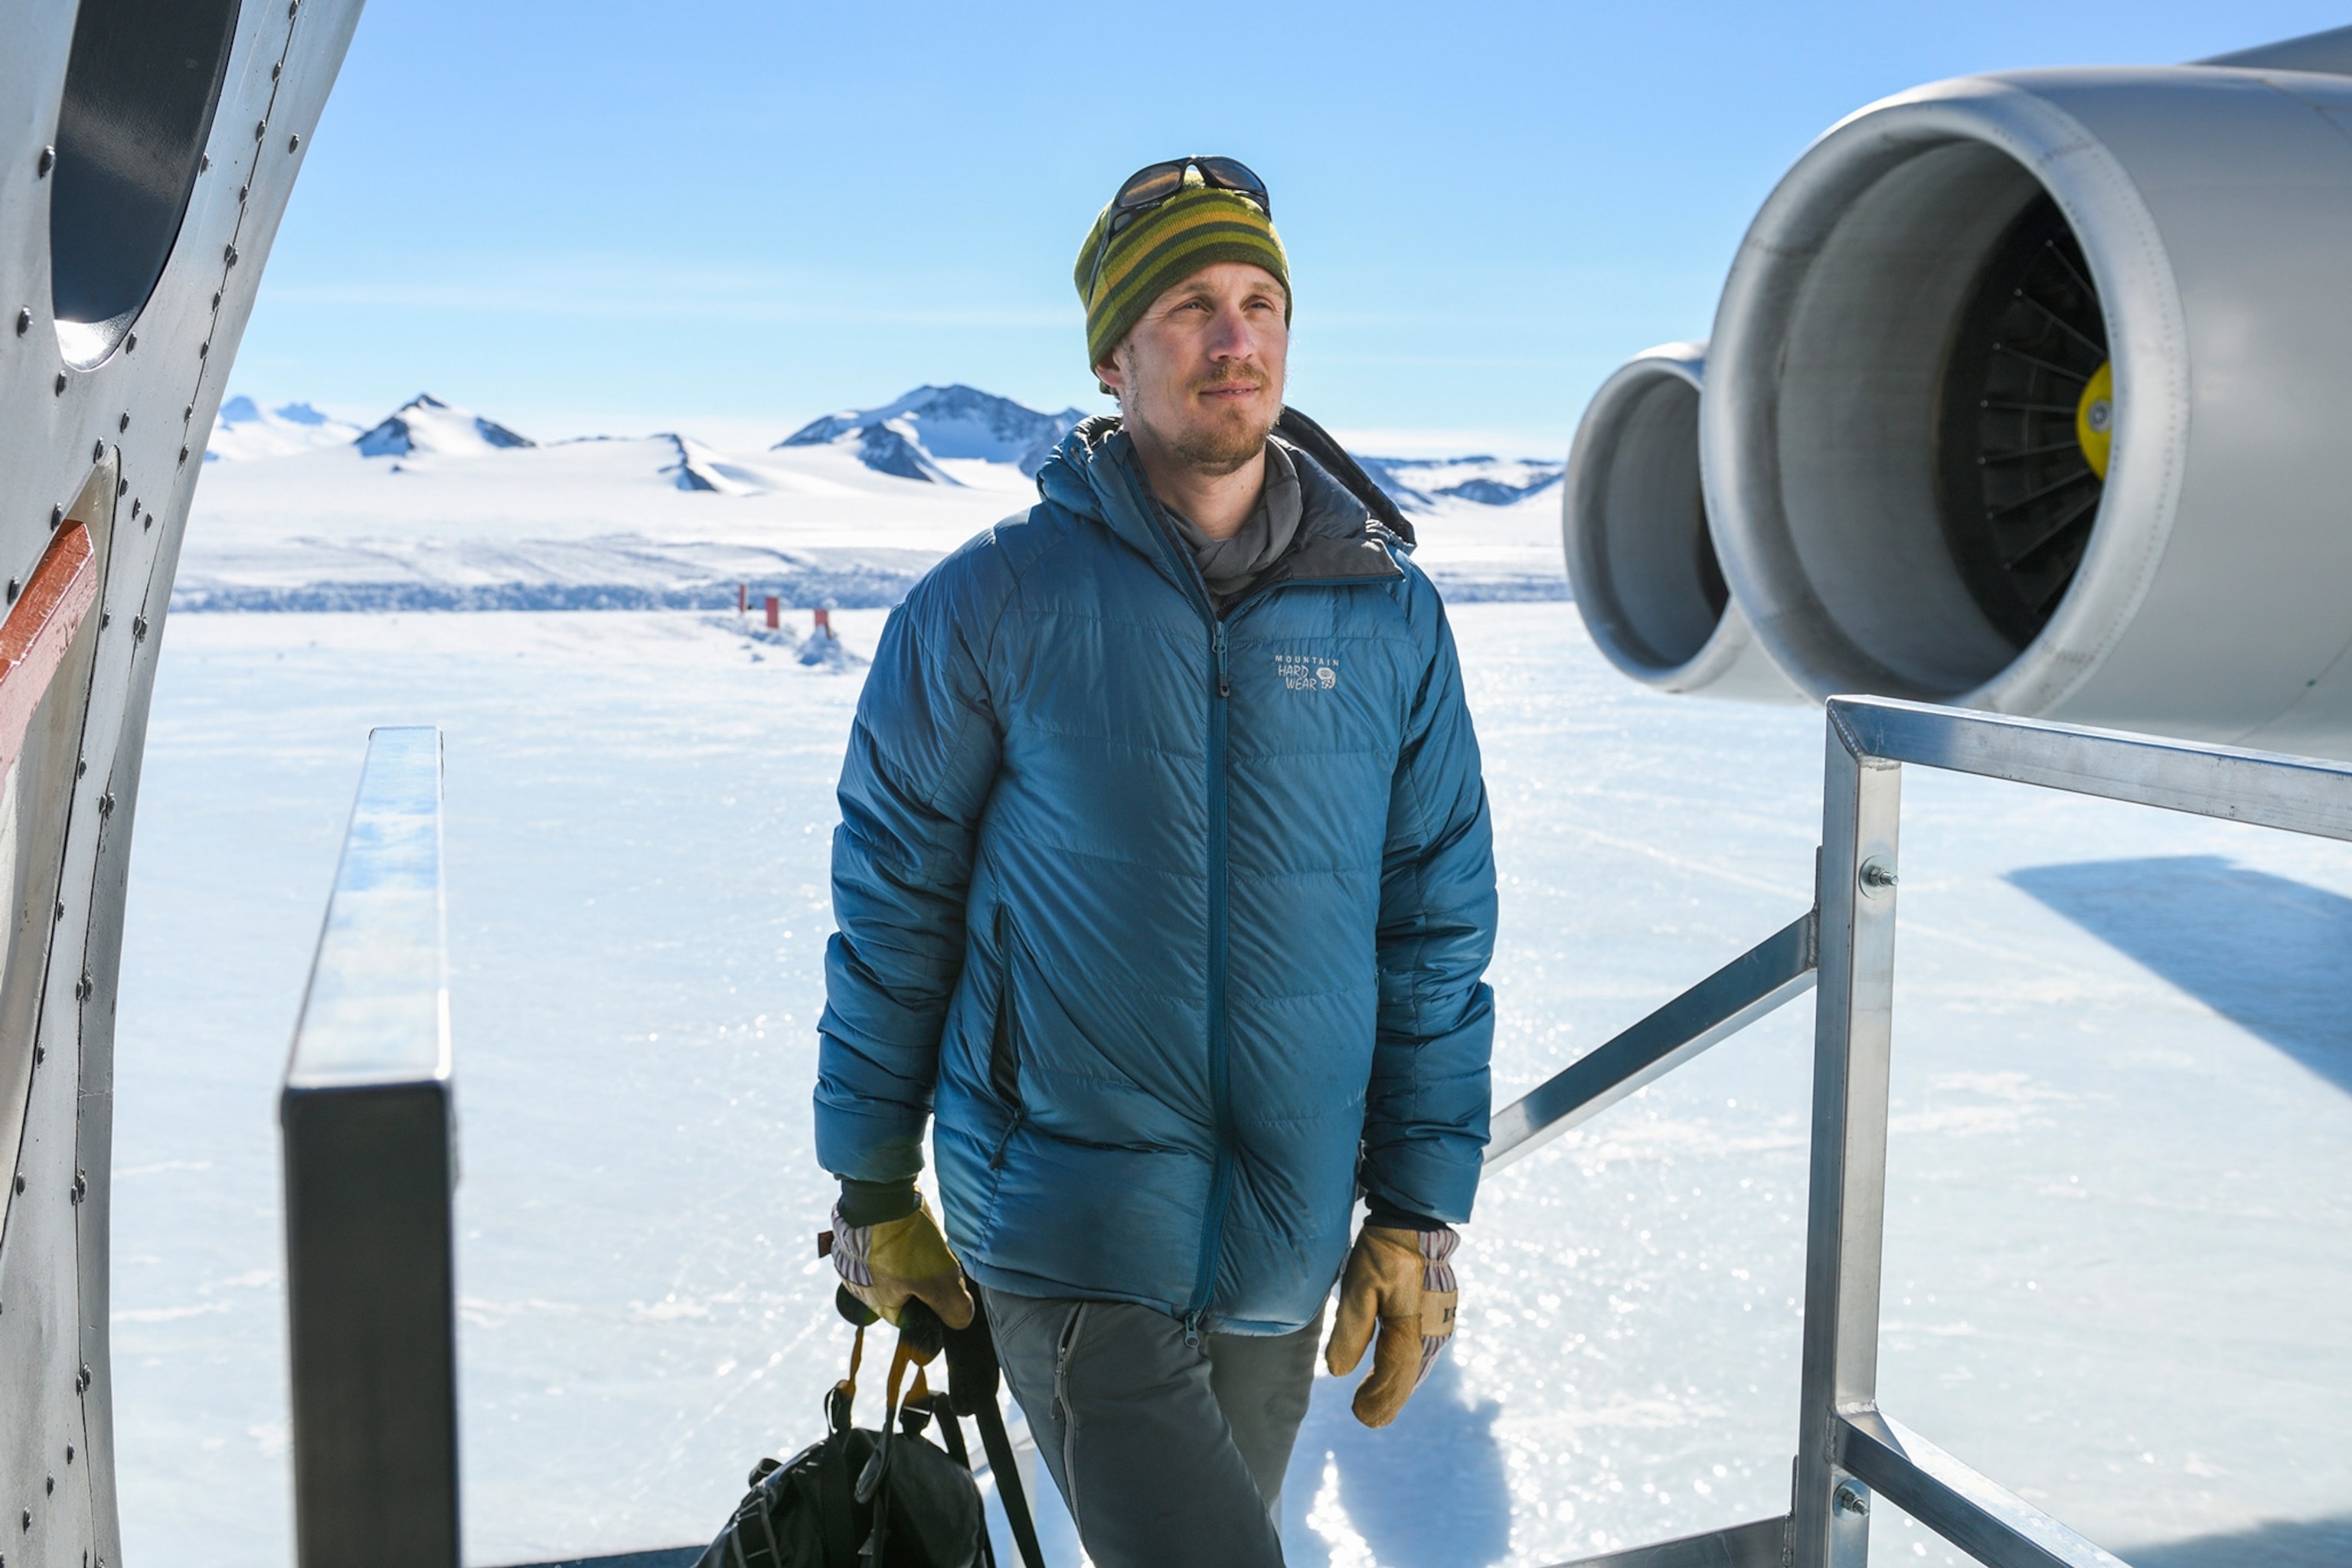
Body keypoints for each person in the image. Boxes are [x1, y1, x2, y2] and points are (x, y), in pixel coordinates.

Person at [815, 155, 1498, 1566]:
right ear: (1116, 360)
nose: (1235, 338)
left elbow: (1431, 930)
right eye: (1190, 307)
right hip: (1067, 1233)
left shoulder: (1389, 617)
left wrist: (1418, 1210)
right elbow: (896, 908)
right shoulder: (991, 606)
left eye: (1259, 302)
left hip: (1285, 1248)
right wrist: (874, 1183)